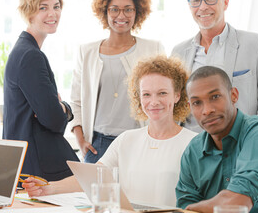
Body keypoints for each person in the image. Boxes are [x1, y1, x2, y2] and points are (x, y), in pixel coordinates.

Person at [23, 55, 197, 206]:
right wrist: (47, 188)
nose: (154, 101)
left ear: (177, 95)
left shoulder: (194, 144)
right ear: (138, 97)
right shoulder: (126, 140)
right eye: (146, 94)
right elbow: (91, 179)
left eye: (162, 93)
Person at [171, 0, 258, 133]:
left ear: (225, 2)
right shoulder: (179, 52)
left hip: (239, 143)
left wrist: (253, 137)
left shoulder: (257, 45)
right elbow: (174, 105)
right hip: (192, 146)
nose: (202, 7)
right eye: (196, 1)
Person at [70, 0, 165, 163]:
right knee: (97, 193)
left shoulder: (153, 49)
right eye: (114, 9)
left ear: (137, 12)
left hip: (139, 141)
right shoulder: (87, 52)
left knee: (138, 193)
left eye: (128, 9)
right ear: (104, 11)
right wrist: (81, 141)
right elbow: (76, 102)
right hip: (98, 145)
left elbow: (164, 97)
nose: (121, 16)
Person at [176, 66, 258, 213]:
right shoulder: (193, 150)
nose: (207, 110)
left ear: (234, 95)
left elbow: (237, 204)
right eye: (197, 103)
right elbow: (185, 207)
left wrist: (195, 209)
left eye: (215, 97)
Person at [2, 0, 79, 181]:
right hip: (38, 166)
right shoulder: (30, 56)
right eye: (42, 8)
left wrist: (55, 107)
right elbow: (53, 119)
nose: (52, 14)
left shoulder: (24, 51)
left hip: (27, 162)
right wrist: (63, 107)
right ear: (29, 13)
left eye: (56, 6)